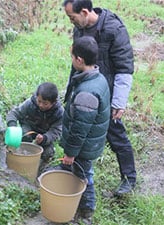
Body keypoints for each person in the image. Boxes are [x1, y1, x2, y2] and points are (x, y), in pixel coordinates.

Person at [62, 0, 136, 197]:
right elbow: (77, 62)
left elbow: (125, 66)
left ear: (85, 12)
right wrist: (71, 91)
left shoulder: (113, 28)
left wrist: (119, 101)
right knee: (79, 128)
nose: (71, 22)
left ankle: (129, 179)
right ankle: (74, 171)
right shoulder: (80, 27)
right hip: (84, 91)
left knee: (116, 135)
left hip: (107, 94)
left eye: (72, 17)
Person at [58, 35, 110, 224]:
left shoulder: (86, 93)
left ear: (79, 60)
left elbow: (80, 129)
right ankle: (68, 181)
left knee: (84, 175)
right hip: (91, 141)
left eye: (72, 57)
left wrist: (70, 153)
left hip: (84, 146)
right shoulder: (97, 76)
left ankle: (86, 211)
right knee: (81, 171)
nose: (71, 60)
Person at [6, 82, 64, 174]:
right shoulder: (30, 103)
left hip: (45, 134)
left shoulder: (59, 113)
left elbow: (56, 131)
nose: (41, 105)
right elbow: (14, 113)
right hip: (29, 128)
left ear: (54, 103)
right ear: (36, 97)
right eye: (39, 101)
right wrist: (12, 125)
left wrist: (45, 138)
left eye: (45, 104)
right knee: (24, 137)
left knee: (47, 153)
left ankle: (38, 168)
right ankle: (21, 160)